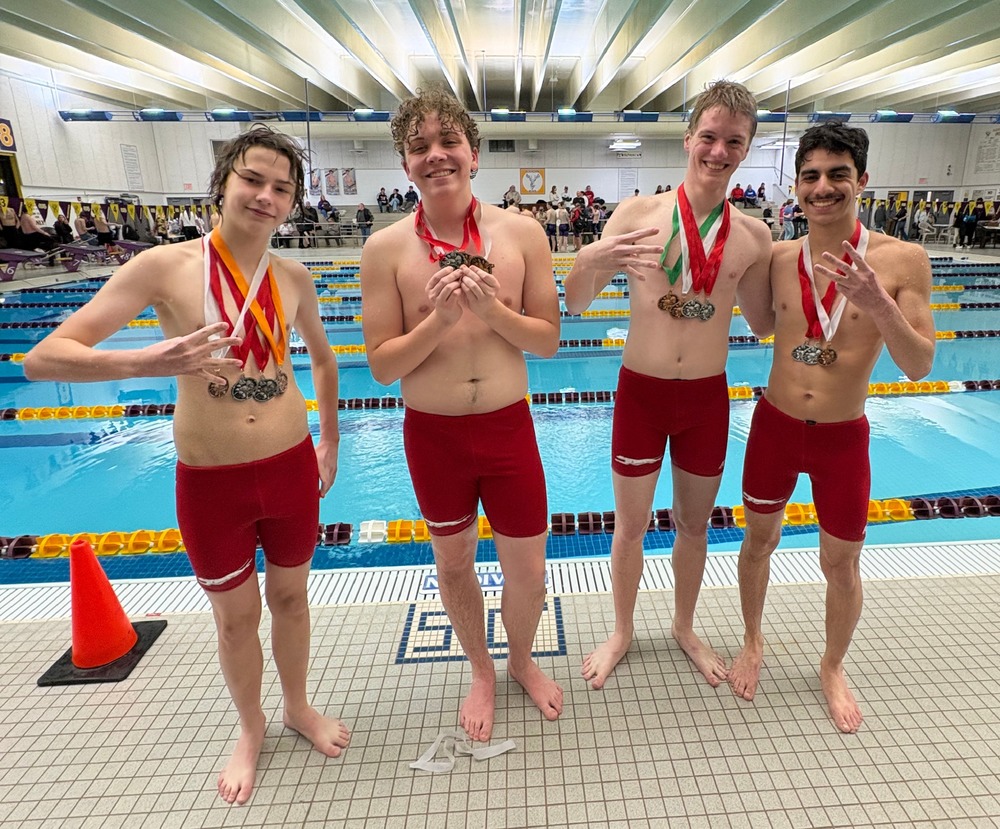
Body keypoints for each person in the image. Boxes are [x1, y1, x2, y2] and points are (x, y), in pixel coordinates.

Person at [23, 125, 350, 804]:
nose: (265, 195)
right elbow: (44, 356)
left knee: (291, 599)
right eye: (253, 180)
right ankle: (251, 725)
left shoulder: (293, 276)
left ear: (292, 202)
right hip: (211, 480)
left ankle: (296, 705)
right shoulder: (165, 267)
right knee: (236, 619)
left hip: (290, 466)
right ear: (222, 184)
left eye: (281, 188)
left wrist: (330, 440)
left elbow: (323, 355)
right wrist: (149, 360)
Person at [360, 87, 563, 742]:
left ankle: (522, 659)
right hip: (435, 436)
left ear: (473, 153)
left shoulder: (522, 233)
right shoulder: (385, 249)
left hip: (508, 426)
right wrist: (440, 320)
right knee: (453, 566)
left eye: (448, 142)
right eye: (419, 147)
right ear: (404, 164)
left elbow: (549, 339)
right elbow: (383, 365)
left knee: (528, 571)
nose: (436, 156)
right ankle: (480, 668)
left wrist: (492, 312)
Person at [564, 80, 773, 691]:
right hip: (642, 394)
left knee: (694, 525)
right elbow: (575, 305)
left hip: (706, 398)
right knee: (628, 527)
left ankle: (684, 625)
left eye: (733, 141)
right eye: (708, 136)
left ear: (747, 149)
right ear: (688, 139)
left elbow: (763, 324)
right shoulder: (637, 216)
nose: (718, 150)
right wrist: (587, 261)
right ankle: (622, 630)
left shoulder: (754, 237)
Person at [730, 121, 935, 733]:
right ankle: (752, 640)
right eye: (812, 176)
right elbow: (762, 327)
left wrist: (877, 303)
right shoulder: (780, 256)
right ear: (796, 187)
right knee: (756, 542)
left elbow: (921, 363)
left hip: (843, 436)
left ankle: (832, 663)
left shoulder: (903, 260)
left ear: (861, 181)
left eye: (837, 175)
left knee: (842, 563)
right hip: (775, 423)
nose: (824, 188)